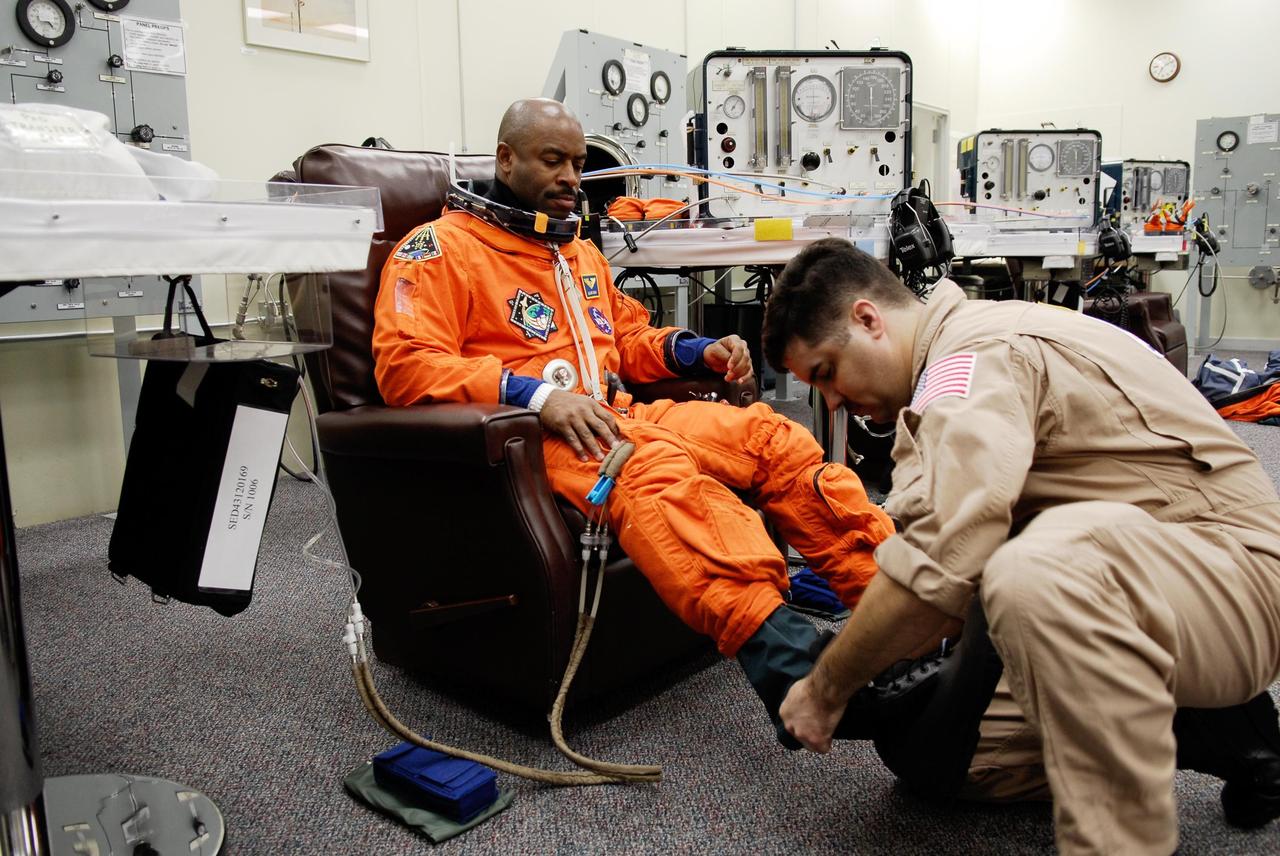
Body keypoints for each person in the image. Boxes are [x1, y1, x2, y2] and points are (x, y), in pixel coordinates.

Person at [370, 99, 896, 741]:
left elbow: (625, 336)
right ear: (505, 158)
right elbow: (406, 367)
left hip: (616, 414)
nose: (570, 177)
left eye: (578, 163)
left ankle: (894, 610)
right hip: (535, 436)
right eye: (552, 160)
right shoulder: (438, 250)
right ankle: (790, 667)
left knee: (773, 438)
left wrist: (698, 349)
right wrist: (536, 396)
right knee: (656, 474)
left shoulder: (575, 255)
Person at [761, 237, 1280, 855]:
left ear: (867, 319)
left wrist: (825, 689)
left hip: (1234, 579)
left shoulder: (973, 360)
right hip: (1148, 570)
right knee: (937, 755)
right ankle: (1200, 722)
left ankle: (1189, 762)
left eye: (825, 373)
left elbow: (939, 564)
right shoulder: (958, 356)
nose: (833, 400)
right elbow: (943, 574)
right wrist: (873, 660)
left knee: (1028, 576)